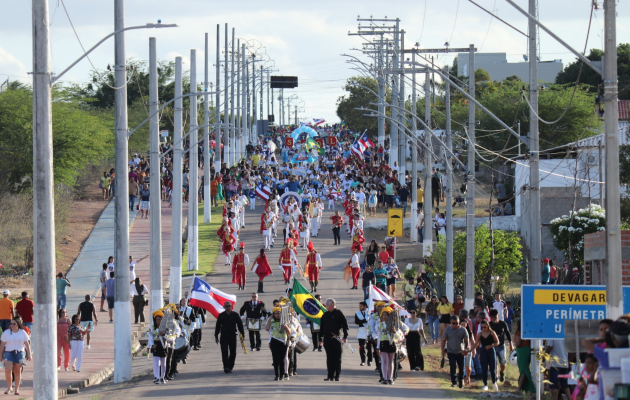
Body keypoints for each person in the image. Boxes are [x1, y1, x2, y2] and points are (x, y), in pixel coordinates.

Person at [319, 298, 349, 382]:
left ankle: (337, 375)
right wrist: (320, 339)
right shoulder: (325, 315)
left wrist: (345, 337)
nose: (326, 305)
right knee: (329, 358)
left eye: (327, 304)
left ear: (332, 305)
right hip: (327, 340)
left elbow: (345, 326)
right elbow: (322, 327)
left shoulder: (339, 313)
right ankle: (330, 375)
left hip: (337, 339)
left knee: (337, 358)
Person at [0, 317, 31, 395]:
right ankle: (9, 387)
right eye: (11, 324)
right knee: (8, 370)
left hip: (19, 353)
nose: (12, 325)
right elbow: (2, 345)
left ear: (18, 324)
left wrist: (29, 354)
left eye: (14, 324)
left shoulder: (22, 332)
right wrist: (0, 355)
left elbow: (27, 343)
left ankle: (16, 389)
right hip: (8, 353)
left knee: (17, 372)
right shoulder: (6, 332)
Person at [376, 307, 406, 385]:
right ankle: (385, 378)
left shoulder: (394, 325)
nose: (384, 317)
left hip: (392, 343)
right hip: (383, 343)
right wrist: (378, 347)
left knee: (390, 361)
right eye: (383, 315)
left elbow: (398, 337)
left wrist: (394, 331)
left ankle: (390, 378)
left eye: (386, 315)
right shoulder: (380, 325)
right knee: (384, 361)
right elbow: (379, 336)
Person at [441, 315, 470, 389]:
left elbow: (467, 340)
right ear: (450, 322)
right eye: (453, 323)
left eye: (456, 323)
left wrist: (466, 349)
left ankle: (461, 381)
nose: (455, 325)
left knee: (461, 368)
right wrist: (442, 350)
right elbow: (443, 340)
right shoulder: (447, 330)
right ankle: (454, 382)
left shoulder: (463, 330)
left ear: (459, 322)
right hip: (451, 351)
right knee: (452, 366)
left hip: (461, 352)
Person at [215, 302, 244, 373]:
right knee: (224, 351)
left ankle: (230, 366)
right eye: (226, 306)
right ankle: (226, 367)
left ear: (231, 307)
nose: (228, 307)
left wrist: (242, 334)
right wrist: (216, 336)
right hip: (224, 336)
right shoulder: (221, 315)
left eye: (229, 306)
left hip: (233, 336)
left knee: (233, 352)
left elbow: (240, 325)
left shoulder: (235, 315)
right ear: (224, 307)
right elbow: (218, 326)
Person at [472, 320, 500, 391]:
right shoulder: (480, 334)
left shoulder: (492, 333)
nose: (484, 328)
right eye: (482, 327)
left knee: (492, 368)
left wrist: (491, 345)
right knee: (484, 368)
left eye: (485, 326)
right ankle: (485, 384)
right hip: (483, 351)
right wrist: (471, 350)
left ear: (488, 326)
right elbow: (476, 344)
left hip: (491, 351)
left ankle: (494, 382)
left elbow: (497, 342)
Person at [265, 306, 291, 381]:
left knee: (281, 359)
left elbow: (289, 333)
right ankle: (277, 375)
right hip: (274, 341)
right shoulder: (271, 320)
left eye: (278, 313)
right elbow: (267, 329)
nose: (277, 315)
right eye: (275, 313)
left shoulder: (285, 320)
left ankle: (282, 375)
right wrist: (270, 319)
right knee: (275, 359)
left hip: (283, 341)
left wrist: (286, 327)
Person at [488, 309, 512, 383]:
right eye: (492, 317)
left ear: (498, 316)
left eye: (495, 316)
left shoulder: (503, 324)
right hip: (493, 346)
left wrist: (511, 344)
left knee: (503, 362)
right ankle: (495, 376)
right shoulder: (489, 325)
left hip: (501, 346)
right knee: (493, 362)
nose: (494, 318)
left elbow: (508, 334)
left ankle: (502, 372)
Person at [514, 324, 535, 393]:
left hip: (522, 350)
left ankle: (521, 387)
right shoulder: (529, 331)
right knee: (524, 369)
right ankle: (524, 387)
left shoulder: (520, 333)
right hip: (527, 350)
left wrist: (518, 336)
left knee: (524, 369)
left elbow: (517, 343)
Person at [355, 301, 371, 367]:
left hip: (368, 331)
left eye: (361, 306)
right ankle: (363, 360)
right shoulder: (357, 313)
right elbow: (357, 322)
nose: (360, 307)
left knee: (369, 347)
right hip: (361, 332)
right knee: (361, 347)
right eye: (359, 306)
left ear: (365, 306)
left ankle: (369, 360)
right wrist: (364, 320)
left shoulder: (369, 312)